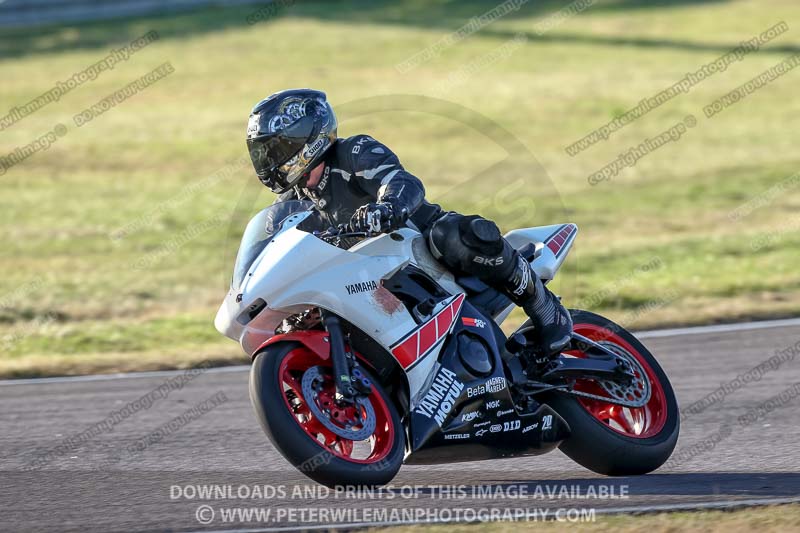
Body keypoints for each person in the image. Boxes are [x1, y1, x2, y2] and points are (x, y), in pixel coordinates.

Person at [246, 89, 572, 361]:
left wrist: (387, 208)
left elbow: (402, 182)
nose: (268, 160)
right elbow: (275, 248)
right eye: (262, 152)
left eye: (275, 148)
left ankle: (545, 308)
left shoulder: (353, 152)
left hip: (419, 250)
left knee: (456, 234)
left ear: (306, 138)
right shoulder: (291, 203)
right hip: (366, 282)